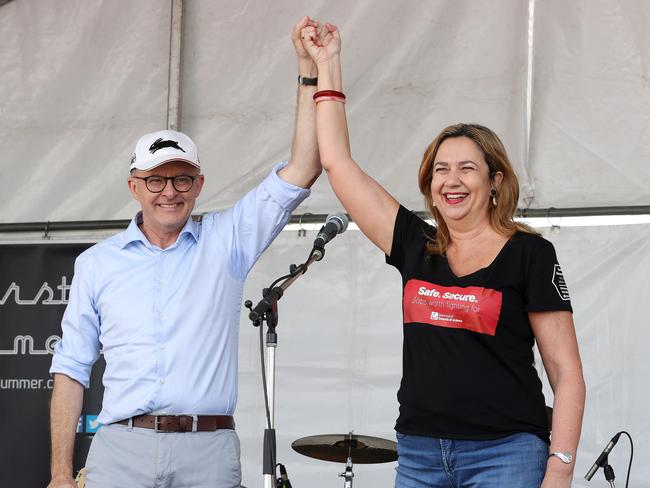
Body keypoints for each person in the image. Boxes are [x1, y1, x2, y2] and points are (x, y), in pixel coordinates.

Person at [299, 22, 585, 488]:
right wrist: (326, 64)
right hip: (419, 454)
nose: (451, 180)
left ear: (495, 181)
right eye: (440, 170)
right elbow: (337, 163)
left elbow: (565, 372)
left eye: (466, 168)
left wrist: (561, 466)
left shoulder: (530, 253)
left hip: (506, 454)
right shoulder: (415, 244)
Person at [47, 17, 322, 488]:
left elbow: (303, 169)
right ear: (134, 187)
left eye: (181, 179)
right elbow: (71, 370)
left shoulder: (226, 239)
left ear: (199, 184)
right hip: (120, 449)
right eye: (155, 179)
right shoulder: (97, 263)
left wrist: (309, 72)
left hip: (207, 449)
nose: (168, 192)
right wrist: (58, 473)